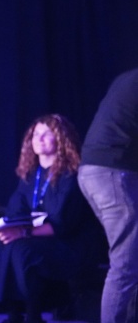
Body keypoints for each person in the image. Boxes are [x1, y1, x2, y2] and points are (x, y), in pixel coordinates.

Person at [0, 114, 101, 323]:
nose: (39, 139)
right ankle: (14, 315)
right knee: (0, 245)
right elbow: (16, 211)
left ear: (61, 139)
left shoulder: (71, 175)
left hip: (67, 243)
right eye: (35, 134)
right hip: (36, 237)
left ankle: (33, 316)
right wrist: (10, 229)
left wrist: (23, 232)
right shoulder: (31, 174)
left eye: (46, 134)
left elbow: (63, 224)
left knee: (22, 250)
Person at [77, 68, 138, 323]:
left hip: (96, 172)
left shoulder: (127, 78)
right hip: (112, 172)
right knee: (126, 262)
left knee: (133, 256)